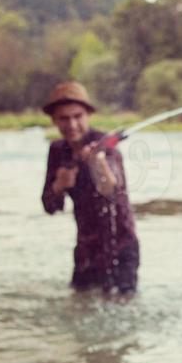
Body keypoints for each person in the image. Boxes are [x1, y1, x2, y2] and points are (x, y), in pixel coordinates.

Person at [40, 81, 140, 297]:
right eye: (64, 118)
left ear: (88, 115)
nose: (72, 124)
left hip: (120, 246)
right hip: (85, 249)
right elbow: (50, 206)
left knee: (120, 311)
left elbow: (112, 192)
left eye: (78, 116)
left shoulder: (106, 146)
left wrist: (98, 163)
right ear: (54, 120)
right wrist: (59, 186)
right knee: (79, 309)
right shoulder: (57, 150)